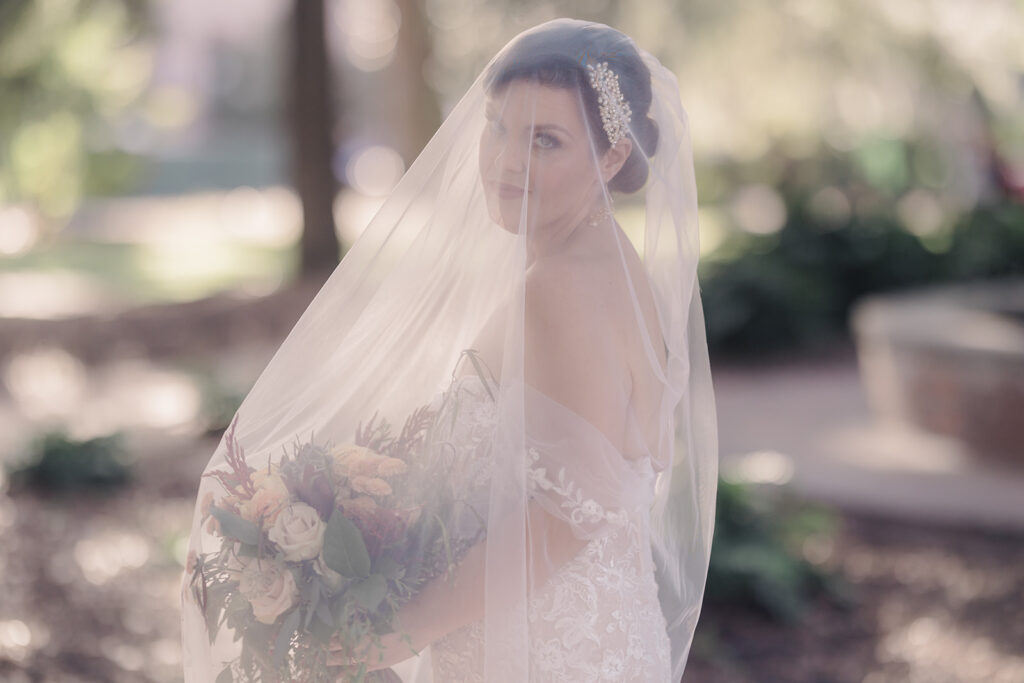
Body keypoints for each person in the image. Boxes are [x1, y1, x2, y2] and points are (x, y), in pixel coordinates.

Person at [180, 17, 717, 683]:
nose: (506, 160)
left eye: (545, 140)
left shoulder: (561, 286)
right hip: (581, 635)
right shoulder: (605, 265)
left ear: (610, 158)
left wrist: (401, 630)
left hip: (543, 651)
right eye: (497, 126)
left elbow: (572, 512)